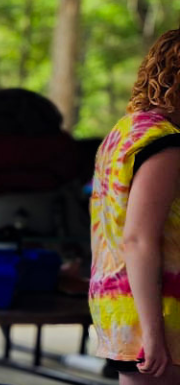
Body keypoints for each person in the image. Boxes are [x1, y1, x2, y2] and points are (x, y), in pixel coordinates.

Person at [91, 27, 180, 385]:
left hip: (120, 306)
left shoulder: (123, 133)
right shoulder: (166, 144)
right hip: (159, 314)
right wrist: (153, 333)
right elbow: (138, 239)